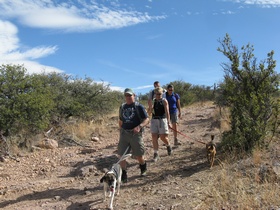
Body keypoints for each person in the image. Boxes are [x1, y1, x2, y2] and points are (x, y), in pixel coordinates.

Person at [118, 88, 150, 183]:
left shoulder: (138, 106)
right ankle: (124, 174)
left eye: (130, 95)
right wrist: (121, 129)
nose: (128, 97)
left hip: (135, 134)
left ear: (134, 95)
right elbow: (120, 120)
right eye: (126, 95)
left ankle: (143, 167)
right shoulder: (122, 107)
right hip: (124, 133)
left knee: (139, 155)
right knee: (121, 155)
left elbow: (146, 119)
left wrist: (139, 126)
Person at [150, 87, 172, 162]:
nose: (158, 95)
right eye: (156, 94)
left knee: (163, 137)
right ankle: (156, 153)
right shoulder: (153, 101)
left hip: (162, 119)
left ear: (162, 94)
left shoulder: (164, 101)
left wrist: (169, 122)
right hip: (154, 119)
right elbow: (150, 111)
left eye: (159, 94)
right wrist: (150, 107)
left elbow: (167, 112)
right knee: (154, 137)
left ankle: (168, 145)